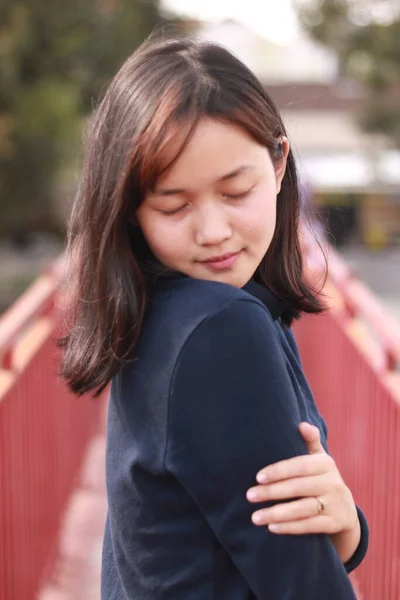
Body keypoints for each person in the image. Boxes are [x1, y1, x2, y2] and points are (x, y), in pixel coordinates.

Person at [59, 34, 369, 599]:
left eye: (235, 192)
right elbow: (300, 582)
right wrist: (350, 535)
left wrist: (348, 525)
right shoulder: (219, 327)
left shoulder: (161, 310)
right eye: (174, 205)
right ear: (129, 208)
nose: (212, 232)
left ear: (279, 166)